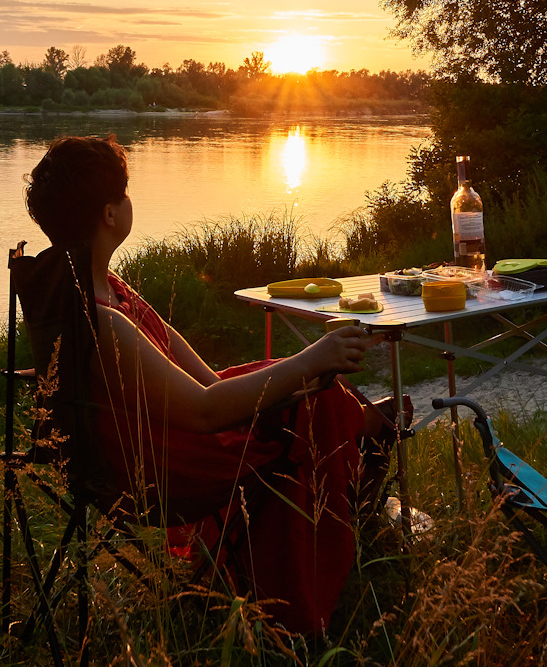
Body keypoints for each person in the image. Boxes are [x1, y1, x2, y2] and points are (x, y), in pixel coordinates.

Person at [21, 134, 397, 636]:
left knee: (274, 374)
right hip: (163, 467)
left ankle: (370, 430)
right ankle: (296, 602)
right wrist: (315, 358)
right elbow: (202, 412)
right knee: (318, 399)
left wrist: (292, 371)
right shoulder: (102, 321)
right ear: (109, 214)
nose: (131, 201)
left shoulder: (96, 290)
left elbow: (206, 380)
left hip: (162, 438)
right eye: (125, 193)